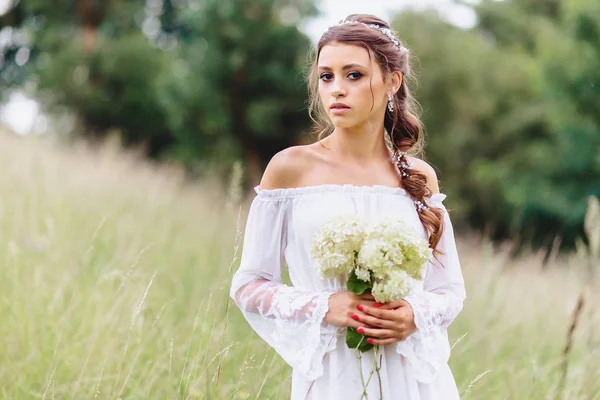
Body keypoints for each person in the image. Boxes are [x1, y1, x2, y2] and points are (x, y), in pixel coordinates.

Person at [230, 13, 466, 400]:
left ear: (392, 81)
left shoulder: (420, 178)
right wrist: (324, 306)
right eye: (327, 76)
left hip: (414, 380)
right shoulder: (290, 168)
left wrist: (413, 314)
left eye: (353, 75)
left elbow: (450, 291)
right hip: (332, 375)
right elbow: (249, 285)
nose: (336, 89)